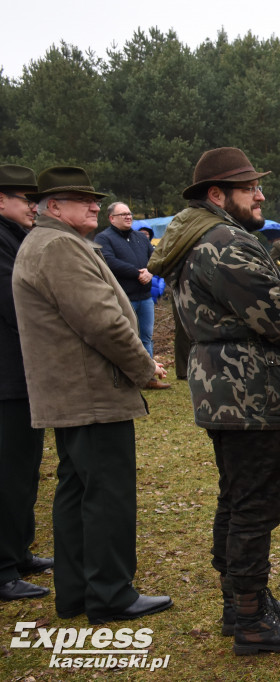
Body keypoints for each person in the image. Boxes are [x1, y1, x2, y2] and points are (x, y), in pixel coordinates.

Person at [148, 147, 280, 654]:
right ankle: (251, 619)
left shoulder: (198, 237)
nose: (260, 195)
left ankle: (241, 600)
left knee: (238, 495)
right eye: (250, 188)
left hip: (224, 387)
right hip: (248, 389)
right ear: (217, 195)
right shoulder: (223, 243)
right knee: (255, 502)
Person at [12, 166, 170, 623]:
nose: (94, 206)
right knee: (106, 494)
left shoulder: (46, 242)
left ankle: (79, 591)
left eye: (94, 199)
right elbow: (101, 320)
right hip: (91, 392)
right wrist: (143, 368)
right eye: (81, 200)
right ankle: (110, 594)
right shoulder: (59, 245)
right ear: (53, 207)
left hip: (74, 391)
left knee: (78, 490)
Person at [0, 165, 52, 603]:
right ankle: (2, 568)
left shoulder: (16, 238)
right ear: (1, 200)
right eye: (24, 199)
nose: (33, 207)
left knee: (25, 471)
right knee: (8, 473)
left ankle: (18, 552)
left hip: (22, 375)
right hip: (6, 378)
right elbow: (14, 305)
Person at [94, 202, 170, 389]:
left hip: (145, 297)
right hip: (123, 297)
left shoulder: (140, 237)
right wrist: (137, 273)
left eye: (129, 213)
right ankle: (126, 377)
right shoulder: (104, 238)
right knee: (126, 337)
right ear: (112, 218)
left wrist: (150, 272)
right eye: (123, 214)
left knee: (146, 337)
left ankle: (149, 377)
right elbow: (109, 261)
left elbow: (154, 258)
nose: (128, 217)